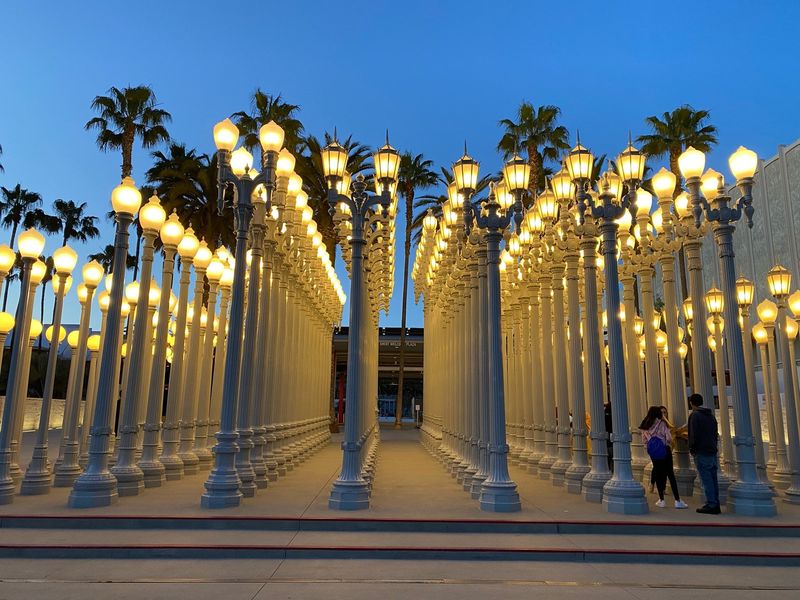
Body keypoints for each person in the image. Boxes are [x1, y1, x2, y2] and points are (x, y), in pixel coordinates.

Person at [639, 406, 688, 509]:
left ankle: (661, 500)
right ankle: (677, 500)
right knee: (670, 474)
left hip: (653, 453)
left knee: (658, 473)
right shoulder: (662, 424)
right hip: (665, 450)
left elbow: (644, 441)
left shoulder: (644, 426)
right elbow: (669, 438)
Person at [687, 393, 721, 514]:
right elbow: (715, 433)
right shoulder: (711, 416)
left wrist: (692, 448)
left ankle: (711, 504)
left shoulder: (695, 416)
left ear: (691, 403)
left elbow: (693, 434)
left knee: (706, 479)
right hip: (711, 450)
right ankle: (715, 502)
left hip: (701, 451)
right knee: (712, 478)